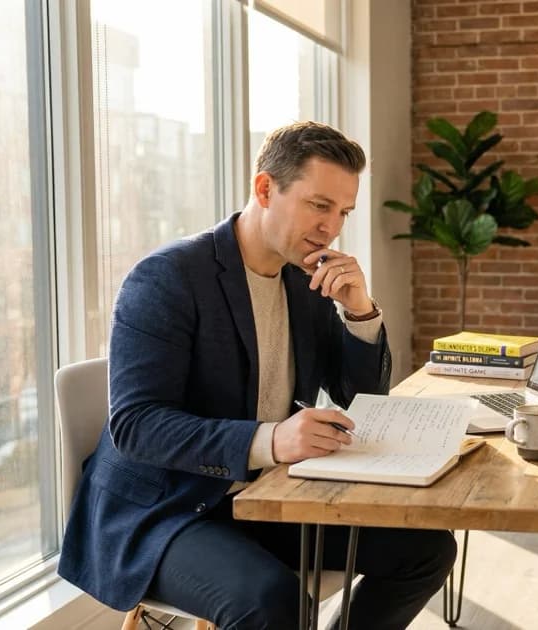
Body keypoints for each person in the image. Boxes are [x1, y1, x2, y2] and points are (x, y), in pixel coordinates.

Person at [58, 121, 457, 629]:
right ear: (265, 188)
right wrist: (271, 439)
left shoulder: (304, 279)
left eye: (343, 212)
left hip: (259, 495)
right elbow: (137, 426)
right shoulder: (168, 277)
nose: (331, 227)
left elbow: (360, 396)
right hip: (165, 509)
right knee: (272, 601)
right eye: (319, 205)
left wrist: (359, 310)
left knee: (425, 548)